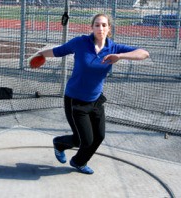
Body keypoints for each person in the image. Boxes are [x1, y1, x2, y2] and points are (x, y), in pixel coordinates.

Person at [36, 13, 149, 174]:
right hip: (75, 100)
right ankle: (59, 143)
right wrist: (39, 55)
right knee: (84, 140)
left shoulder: (114, 48)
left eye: (104, 25)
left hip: (95, 100)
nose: (100, 28)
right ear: (92, 27)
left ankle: (78, 162)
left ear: (109, 28)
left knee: (99, 136)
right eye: (97, 25)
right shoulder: (81, 42)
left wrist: (120, 56)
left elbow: (144, 53)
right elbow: (58, 51)